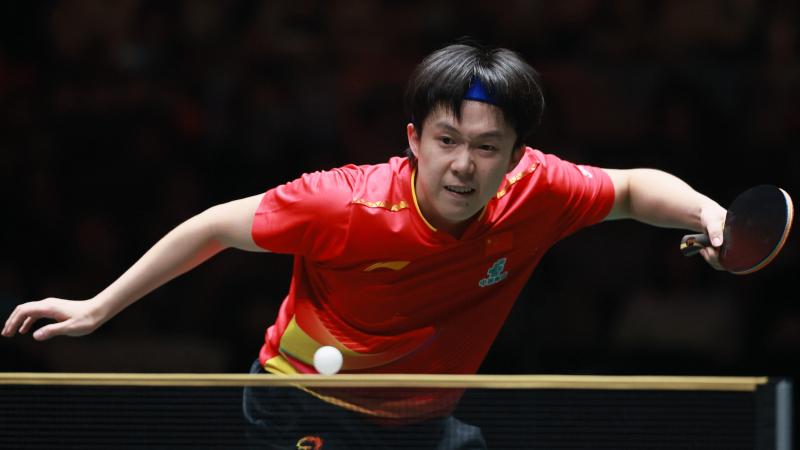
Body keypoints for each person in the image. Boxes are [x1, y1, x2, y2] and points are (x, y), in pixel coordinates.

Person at [2, 41, 727, 449]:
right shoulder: (345, 203)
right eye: (446, 140)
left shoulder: (539, 190)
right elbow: (216, 225)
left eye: (486, 147)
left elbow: (631, 189)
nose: (463, 165)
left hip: (421, 422)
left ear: (514, 156)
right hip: (302, 402)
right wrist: (99, 307)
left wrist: (708, 212)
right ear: (414, 139)